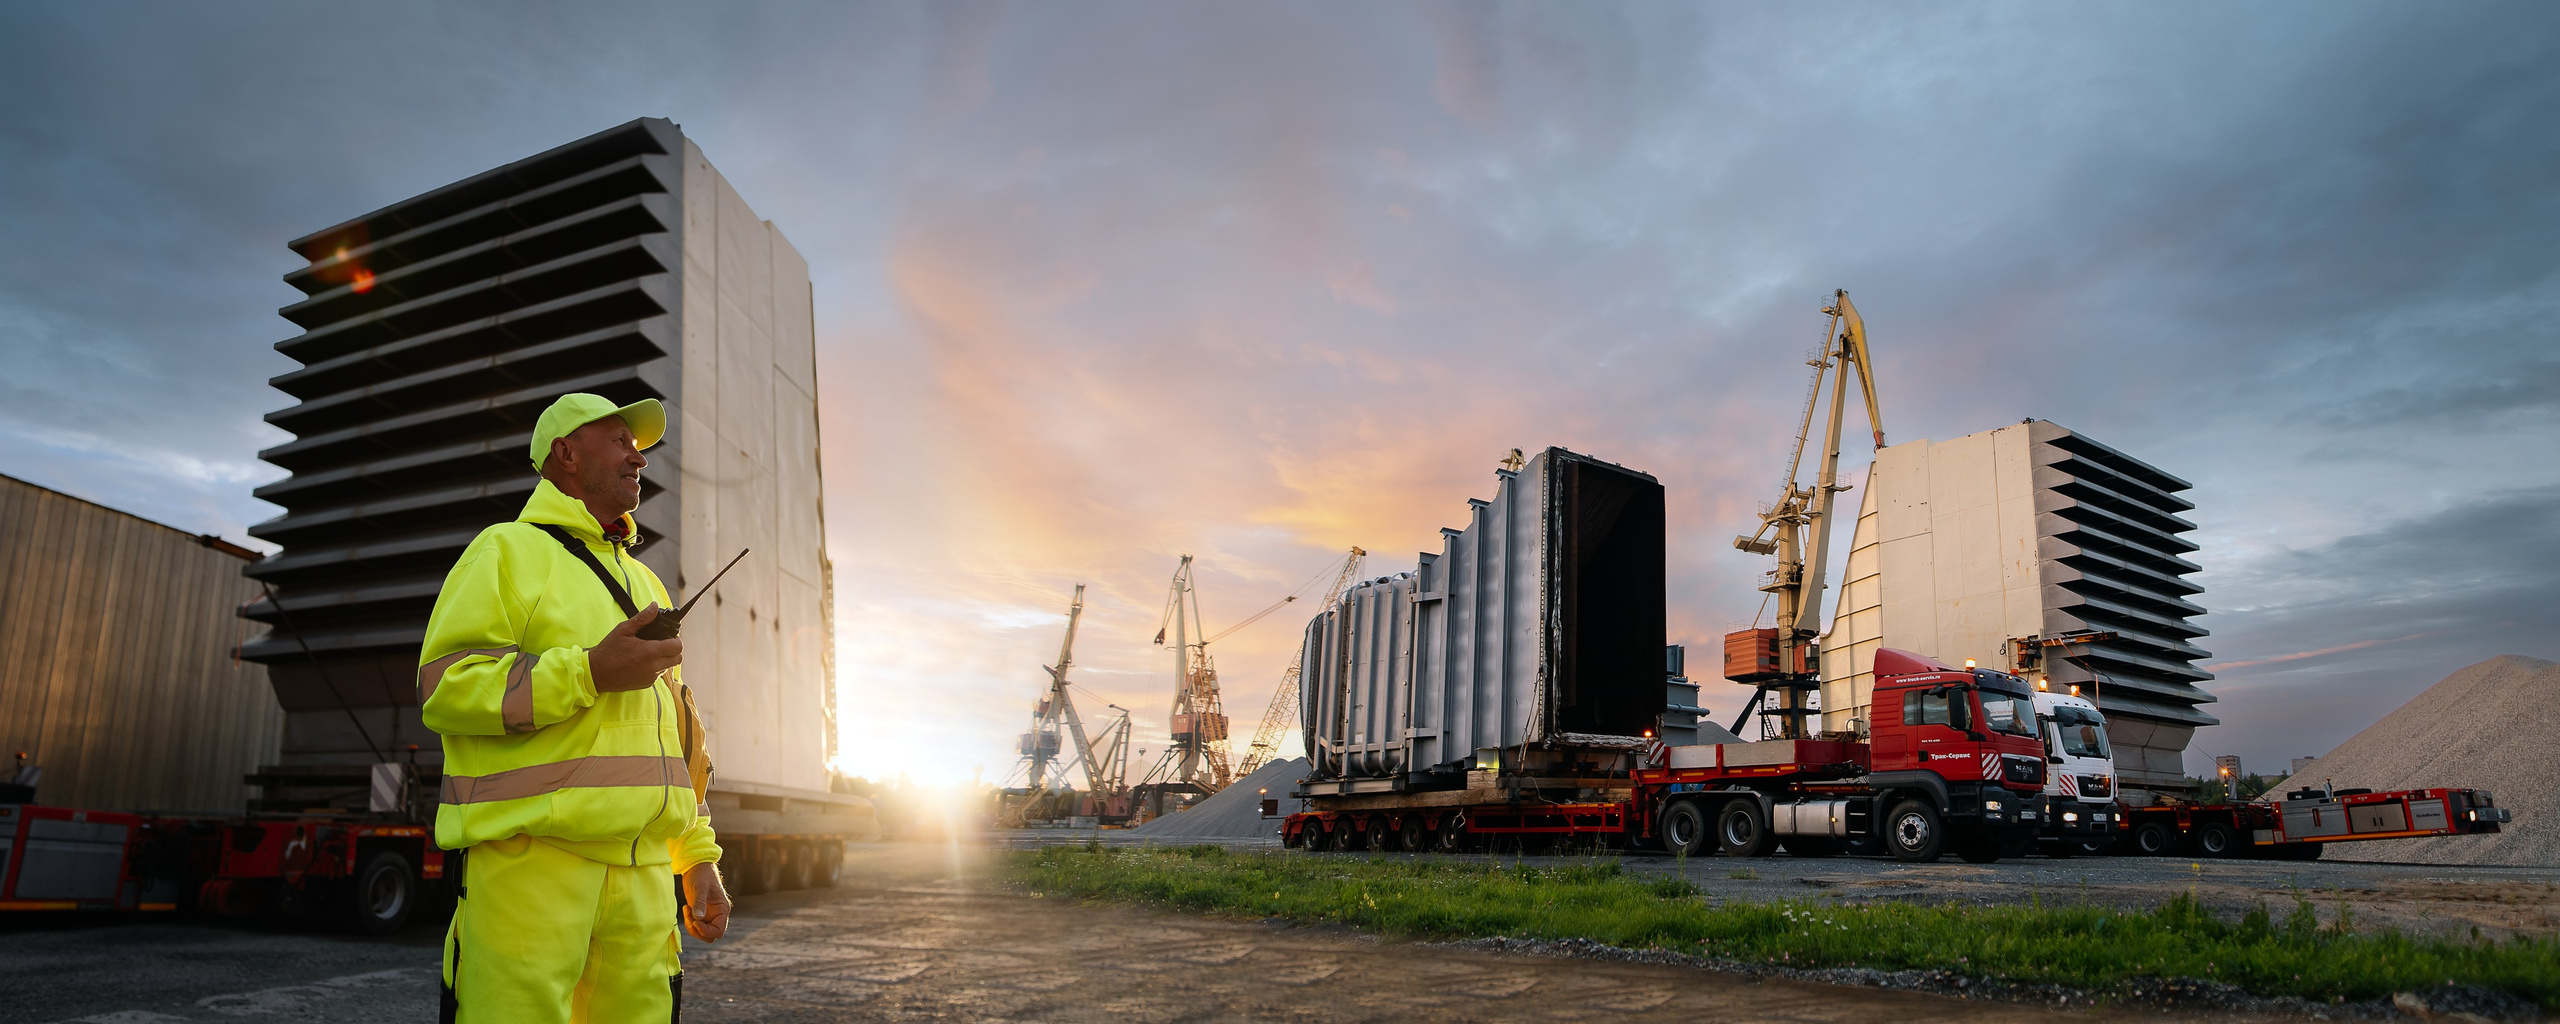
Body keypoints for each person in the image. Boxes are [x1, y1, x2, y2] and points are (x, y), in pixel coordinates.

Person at [420, 393, 731, 1023]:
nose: (638, 458)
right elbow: (447, 687)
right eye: (619, 440)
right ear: (565, 453)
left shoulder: (644, 583)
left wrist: (696, 857)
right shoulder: (505, 552)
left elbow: (678, 740)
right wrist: (588, 671)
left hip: (644, 884)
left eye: (638, 446)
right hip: (532, 867)